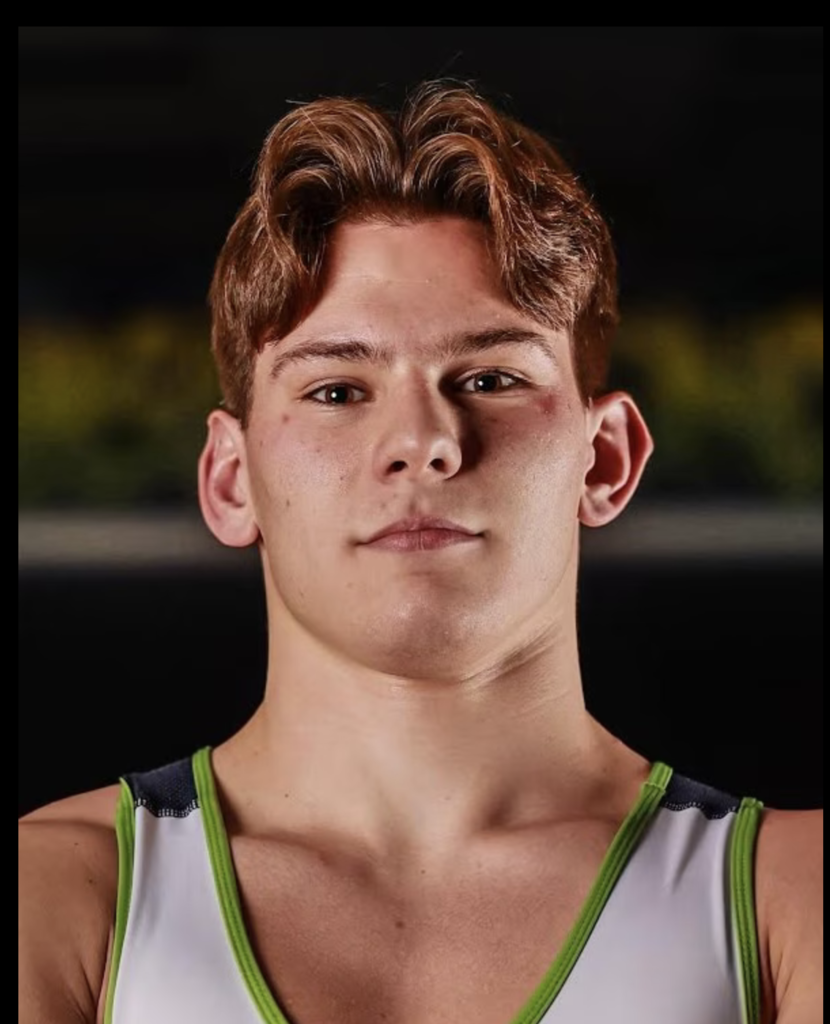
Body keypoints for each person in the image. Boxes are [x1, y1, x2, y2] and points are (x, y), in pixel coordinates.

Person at [19, 80, 821, 1024]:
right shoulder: (57, 897)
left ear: (605, 459)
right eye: (336, 390)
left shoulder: (789, 896)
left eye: (489, 376)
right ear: (232, 479)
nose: (425, 438)